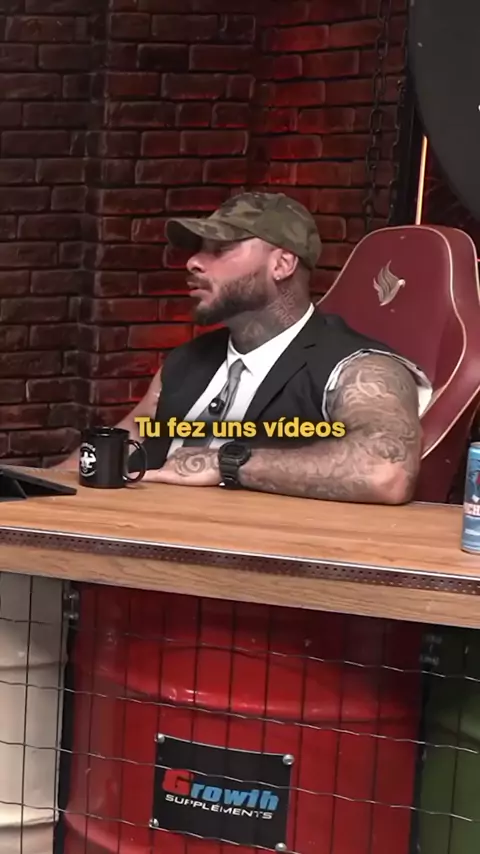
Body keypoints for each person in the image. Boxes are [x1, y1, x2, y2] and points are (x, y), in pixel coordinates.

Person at [55, 191, 432, 504]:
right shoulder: (187, 361)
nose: (193, 262)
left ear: (282, 264)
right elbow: (114, 449)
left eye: (220, 248)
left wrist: (223, 462)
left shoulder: (360, 367)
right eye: (199, 249)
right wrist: (37, 492)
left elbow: (387, 472)